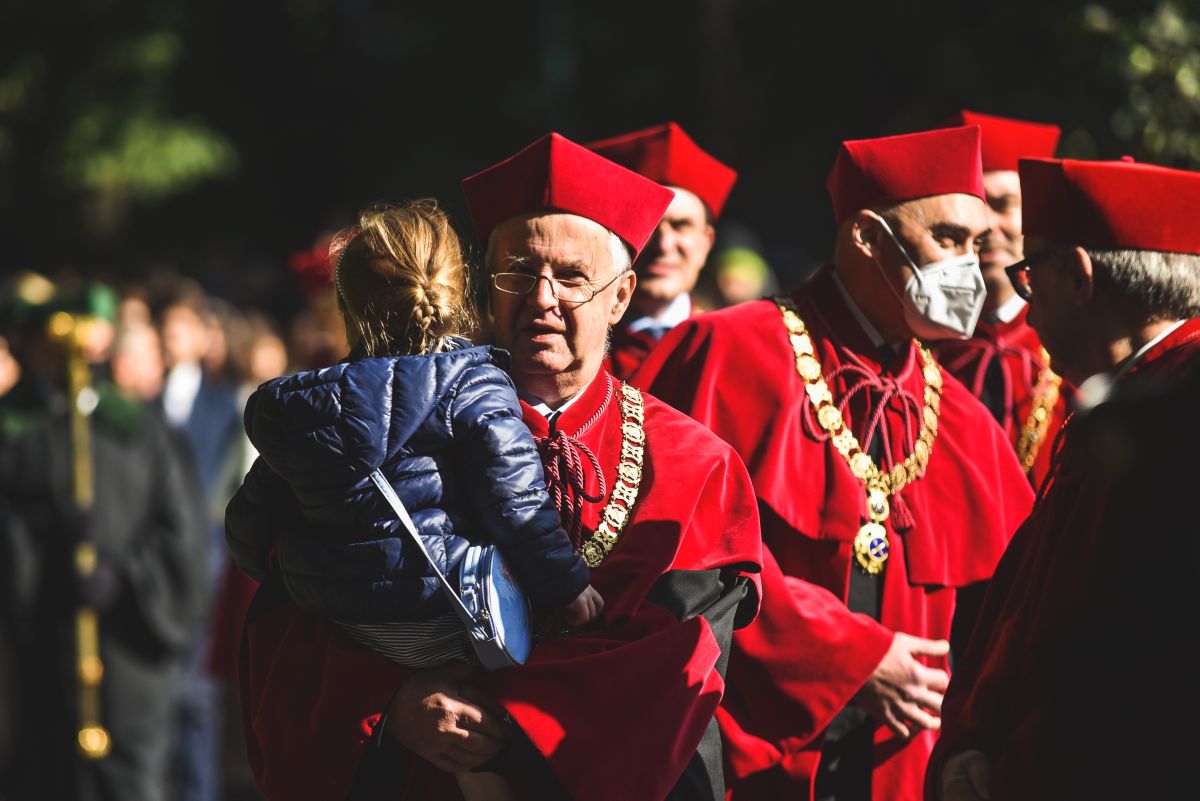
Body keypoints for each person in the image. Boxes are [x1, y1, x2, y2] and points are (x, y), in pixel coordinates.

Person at [231, 133, 764, 801]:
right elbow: (286, 613)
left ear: (621, 294)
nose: (542, 298)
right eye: (518, 271)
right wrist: (391, 700)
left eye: (571, 276)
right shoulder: (378, 425)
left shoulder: (694, 467)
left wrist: (509, 728)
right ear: (485, 286)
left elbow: (675, 663)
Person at [634, 125, 1035, 801]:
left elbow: (1007, 618)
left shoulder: (965, 419)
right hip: (744, 755)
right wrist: (849, 658)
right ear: (868, 237)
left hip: (903, 767)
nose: (971, 266)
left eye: (977, 243)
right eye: (949, 239)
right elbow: (678, 555)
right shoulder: (725, 351)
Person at [929, 156, 1200, 801]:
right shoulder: (1140, 393)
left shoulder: (1177, 413)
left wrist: (1011, 773)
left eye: (1030, 276)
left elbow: (1145, 661)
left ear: (1079, 277)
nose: (1027, 308)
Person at [0, 277, 210, 801]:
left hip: (131, 654)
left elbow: (182, 538)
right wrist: (39, 559)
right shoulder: (14, 434)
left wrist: (125, 577)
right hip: (41, 659)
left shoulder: (140, 433)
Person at [930, 111, 1070, 485]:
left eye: (1004, 204)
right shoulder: (917, 345)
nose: (987, 225)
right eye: (974, 206)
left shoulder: (1075, 347)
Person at [587, 122, 737, 379]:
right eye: (648, 226)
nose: (664, 245)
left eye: (681, 226)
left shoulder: (732, 348)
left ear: (705, 244)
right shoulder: (572, 350)